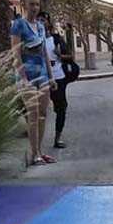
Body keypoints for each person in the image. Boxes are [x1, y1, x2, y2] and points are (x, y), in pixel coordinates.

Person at [11, 0, 56, 166]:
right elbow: (15, 52)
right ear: (25, 5)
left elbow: (44, 51)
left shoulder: (41, 27)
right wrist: (23, 78)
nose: (35, 8)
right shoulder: (18, 25)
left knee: (43, 114)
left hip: (42, 74)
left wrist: (51, 77)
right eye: (32, 4)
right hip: (27, 75)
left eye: (37, 4)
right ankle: (34, 153)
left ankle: (40, 151)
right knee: (33, 114)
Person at [38, 12, 70, 149]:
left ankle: (57, 139)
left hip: (58, 77)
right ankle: (36, 142)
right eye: (38, 20)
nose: (41, 22)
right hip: (41, 78)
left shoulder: (56, 40)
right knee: (39, 110)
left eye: (43, 20)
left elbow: (70, 56)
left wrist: (59, 55)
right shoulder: (34, 39)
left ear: (48, 23)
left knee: (61, 109)